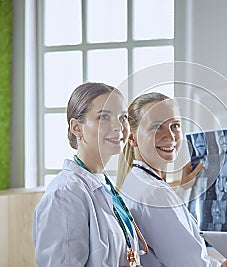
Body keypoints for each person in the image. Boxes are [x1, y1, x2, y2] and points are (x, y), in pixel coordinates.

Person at [117, 92, 227, 267]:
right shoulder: (154, 192)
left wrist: (184, 188)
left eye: (175, 125)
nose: (170, 136)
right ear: (132, 138)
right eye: (156, 127)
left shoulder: (135, 182)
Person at [33, 83, 148, 266]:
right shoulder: (65, 195)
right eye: (104, 117)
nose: (118, 126)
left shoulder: (102, 184)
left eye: (122, 117)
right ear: (76, 127)